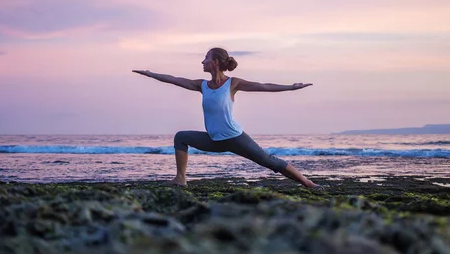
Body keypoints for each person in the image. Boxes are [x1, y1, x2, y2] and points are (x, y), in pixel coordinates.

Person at [133, 47, 324, 191]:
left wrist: (291, 87)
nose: (202, 62)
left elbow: (263, 86)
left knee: (270, 162)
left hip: (235, 138)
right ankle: (180, 179)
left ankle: (308, 183)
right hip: (214, 140)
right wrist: (151, 74)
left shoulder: (233, 83)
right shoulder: (202, 85)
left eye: (206, 58)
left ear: (215, 62)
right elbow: (174, 79)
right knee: (181, 137)